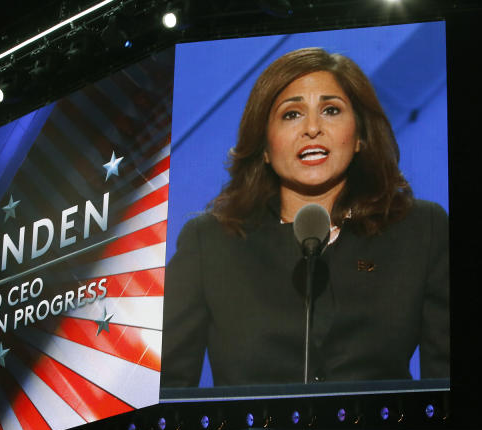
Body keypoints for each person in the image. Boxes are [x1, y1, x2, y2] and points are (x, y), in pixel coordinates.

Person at [162, 47, 448, 388]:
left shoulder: (420, 230)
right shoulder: (209, 242)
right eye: (291, 114)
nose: (312, 128)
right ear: (265, 146)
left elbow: (449, 387)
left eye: (330, 110)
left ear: (359, 136)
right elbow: (169, 391)